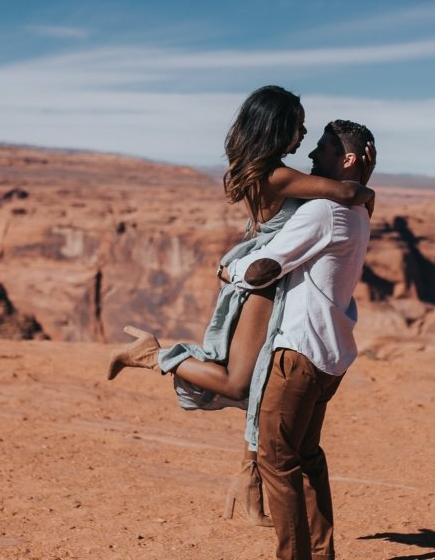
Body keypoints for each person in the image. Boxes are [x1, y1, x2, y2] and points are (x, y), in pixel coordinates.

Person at [105, 86, 375, 526]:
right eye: (299, 125)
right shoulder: (279, 177)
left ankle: (250, 478)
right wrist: (366, 186)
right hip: (262, 283)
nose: (304, 135)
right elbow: (345, 194)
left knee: (257, 385)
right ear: (278, 128)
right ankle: (153, 355)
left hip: (268, 277)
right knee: (239, 384)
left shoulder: (257, 171)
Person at [223, 119, 374, 560]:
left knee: (276, 460)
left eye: (323, 149)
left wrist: (228, 270)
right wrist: (360, 180)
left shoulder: (323, 209)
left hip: (299, 354)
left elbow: (262, 270)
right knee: (306, 458)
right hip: (332, 355)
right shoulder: (360, 208)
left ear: (346, 159)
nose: (310, 155)